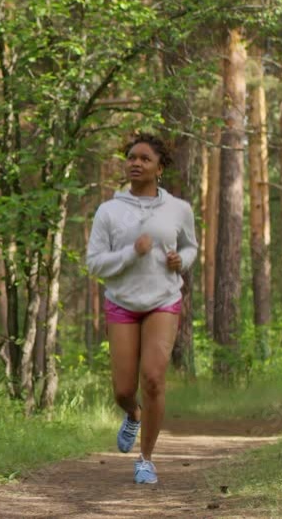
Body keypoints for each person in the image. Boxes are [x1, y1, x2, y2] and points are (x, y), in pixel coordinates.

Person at [86, 132, 198, 484]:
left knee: (152, 378)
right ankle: (133, 414)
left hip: (163, 301)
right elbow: (94, 264)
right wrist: (131, 252)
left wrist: (183, 260)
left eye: (144, 158)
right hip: (122, 302)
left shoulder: (179, 209)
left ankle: (146, 459)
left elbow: (192, 247)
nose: (135, 162)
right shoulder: (109, 211)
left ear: (159, 167)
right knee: (123, 389)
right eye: (131, 157)